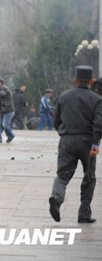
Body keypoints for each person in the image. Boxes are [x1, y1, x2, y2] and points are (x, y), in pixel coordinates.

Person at [49, 65, 101, 224]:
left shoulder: (64, 96)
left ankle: (56, 198)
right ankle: (84, 213)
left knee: (62, 175)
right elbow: (98, 122)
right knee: (89, 176)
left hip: (67, 140)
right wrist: (96, 142)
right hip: (87, 142)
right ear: (92, 81)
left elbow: (55, 119)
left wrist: (64, 133)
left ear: (75, 80)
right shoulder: (97, 99)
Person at [0, 78, 15, 143]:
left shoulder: (5, 89)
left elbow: (3, 93)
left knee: (5, 125)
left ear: (2, 83)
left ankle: (11, 136)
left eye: (0, 83)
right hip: (1, 110)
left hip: (8, 110)